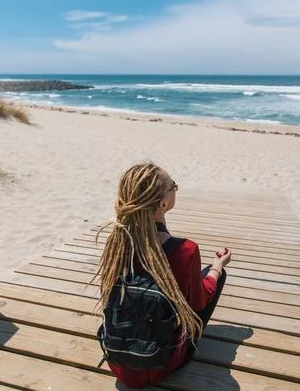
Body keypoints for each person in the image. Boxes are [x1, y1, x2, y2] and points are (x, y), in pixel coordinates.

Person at [95, 163, 231, 389]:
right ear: (163, 203)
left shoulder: (117, 242)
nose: (175, 190)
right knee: (214, 276)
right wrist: (216, 268)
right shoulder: (185, 250)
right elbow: (198, 303)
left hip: (117, 361)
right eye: (173, 187)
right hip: (162, 363)